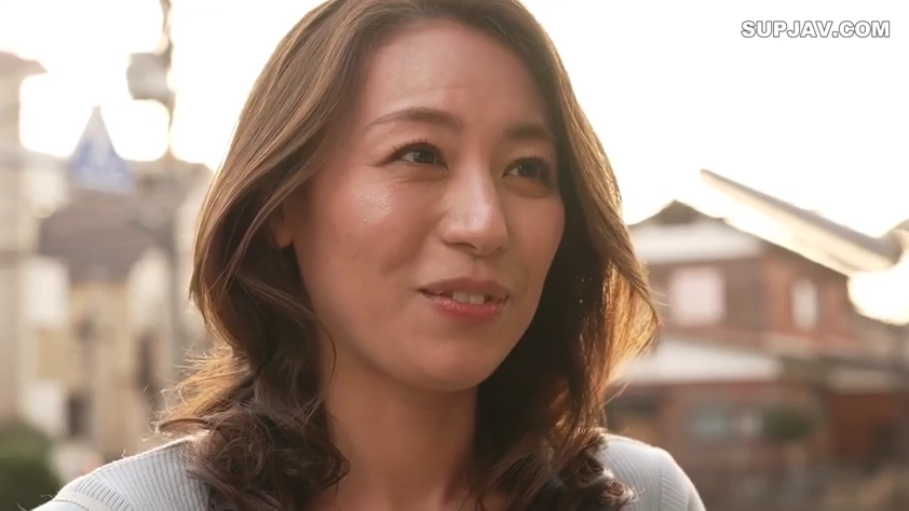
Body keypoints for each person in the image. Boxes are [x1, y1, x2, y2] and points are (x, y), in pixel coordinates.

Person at [36, 0, 704, 510]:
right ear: (283, 205)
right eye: (420, 154)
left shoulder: (643, 496)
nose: (484, 224)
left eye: (527, 168)